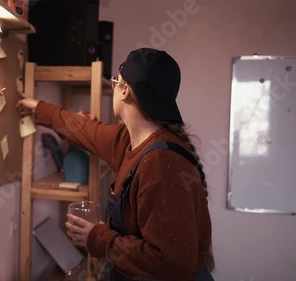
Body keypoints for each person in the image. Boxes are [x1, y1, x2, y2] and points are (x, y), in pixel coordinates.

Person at [16, 48, 214, 281]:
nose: (114, 86)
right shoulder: (129, 141)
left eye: (115, 81)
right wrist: (38, 108)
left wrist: (99, 238)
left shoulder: (160, 165)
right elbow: (85, 130)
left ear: (125, 91)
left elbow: (170, 264)